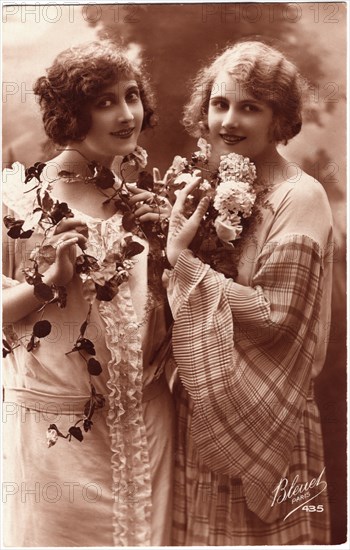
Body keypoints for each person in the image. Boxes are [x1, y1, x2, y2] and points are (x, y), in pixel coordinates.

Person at [2, 41, 174, 547]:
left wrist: (168, 250)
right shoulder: (19, 202)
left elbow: (155, 320)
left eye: (132, 96)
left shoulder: (138, 199)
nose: (127, 114)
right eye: (105, 102)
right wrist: (48, 283)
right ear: (71, 113)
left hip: (145, 430)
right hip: (61, 447)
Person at [165, 40, 332, 545]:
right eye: (220, 103)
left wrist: (181, 261)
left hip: (271, 412)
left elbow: (272, 314)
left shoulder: (300, 196)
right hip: (207, 405)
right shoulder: (216, 185)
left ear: (278, 118)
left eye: (249, 107)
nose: (229, 121)